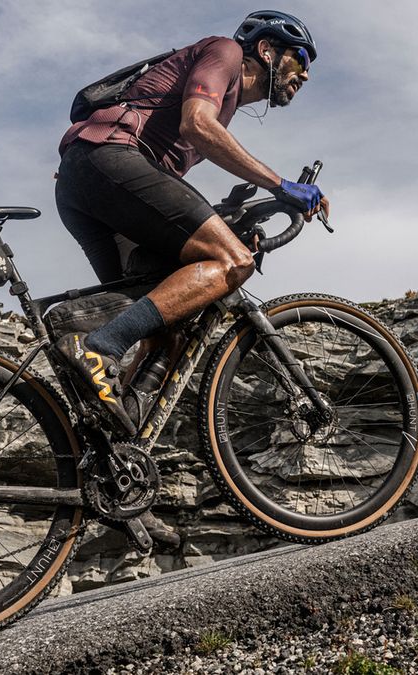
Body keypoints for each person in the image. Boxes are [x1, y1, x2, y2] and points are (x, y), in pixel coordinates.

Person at [53, 10, 331, 436]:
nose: (306, 76)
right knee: (236, 262)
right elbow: (197, 124)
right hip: (109, 157)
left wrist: (223, 216)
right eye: (300, 60)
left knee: (168, 321)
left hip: (89, 180)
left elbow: (160, 201)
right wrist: (280, 185)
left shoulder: (229, 102)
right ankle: (97, 348)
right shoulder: (224, 52)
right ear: (265, 50)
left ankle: (112, 449)